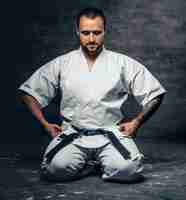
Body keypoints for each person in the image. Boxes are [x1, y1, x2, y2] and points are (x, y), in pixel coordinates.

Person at [18, 7, 166, 183]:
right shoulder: (63, 63)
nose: (91, 39)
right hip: (73, 134)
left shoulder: (122, 63)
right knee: (53, 169)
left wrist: (137, 122)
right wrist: (45, 124)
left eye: (97, 33)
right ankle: (91, 166)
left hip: (110, 133)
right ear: (77, 32)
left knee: (129, 170)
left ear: (105, 32)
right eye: (85, 33)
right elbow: (28, 92)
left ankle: (101, 162)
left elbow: (155, 93)